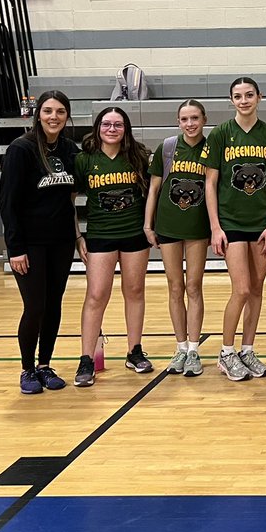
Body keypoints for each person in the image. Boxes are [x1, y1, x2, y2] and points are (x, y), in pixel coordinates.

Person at [202, 77, 266, 382]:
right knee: (240, 288)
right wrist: (215, 226)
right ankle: (226, 352)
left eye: (249, 95)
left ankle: (247, 349)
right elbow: (210, 182)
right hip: (231, 222)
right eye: (238, 96)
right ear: (231, 100)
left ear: (259, 97)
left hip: (262, 224)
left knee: (256, 289)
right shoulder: (221, 134)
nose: (244, 100)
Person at [0, 90, 79, 395]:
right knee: (35, 306)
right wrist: (14, 248)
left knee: (53, 304)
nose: (53, 117)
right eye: (48, 111)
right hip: (29, 244)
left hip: (60, 242)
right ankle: (27, 368)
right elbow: (7, 203)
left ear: (66, 115)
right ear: (38, 114)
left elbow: (71, 198)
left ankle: (45, 365)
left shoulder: (71, 150)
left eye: (60, 111)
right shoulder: (21, 149)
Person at [74, 106, 154, 386]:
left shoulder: (137, 157)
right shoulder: (84, 160)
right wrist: (78, 237)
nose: (111, 129)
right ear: (97, 127)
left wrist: (149, 227)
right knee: (96, 295)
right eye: (106, 124)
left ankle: (134, 351)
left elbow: (151, 193)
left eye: (118, 125)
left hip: (134, 235)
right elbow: (68, 200)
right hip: (100, 236)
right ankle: (86, 359)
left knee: (134, 291)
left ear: (126, 129)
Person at [144, 99, 211, 378]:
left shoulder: (212, 148)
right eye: (184, 119)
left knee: (194, 286)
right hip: (169, 226)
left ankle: (194, 348)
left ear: (204, 120)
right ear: (178, 122)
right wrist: (148, 225)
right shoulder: (168, 147)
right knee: (175, 287)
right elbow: (154, 188)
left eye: (194, 118)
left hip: (197, 227)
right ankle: (180, 346)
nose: (190, 124)